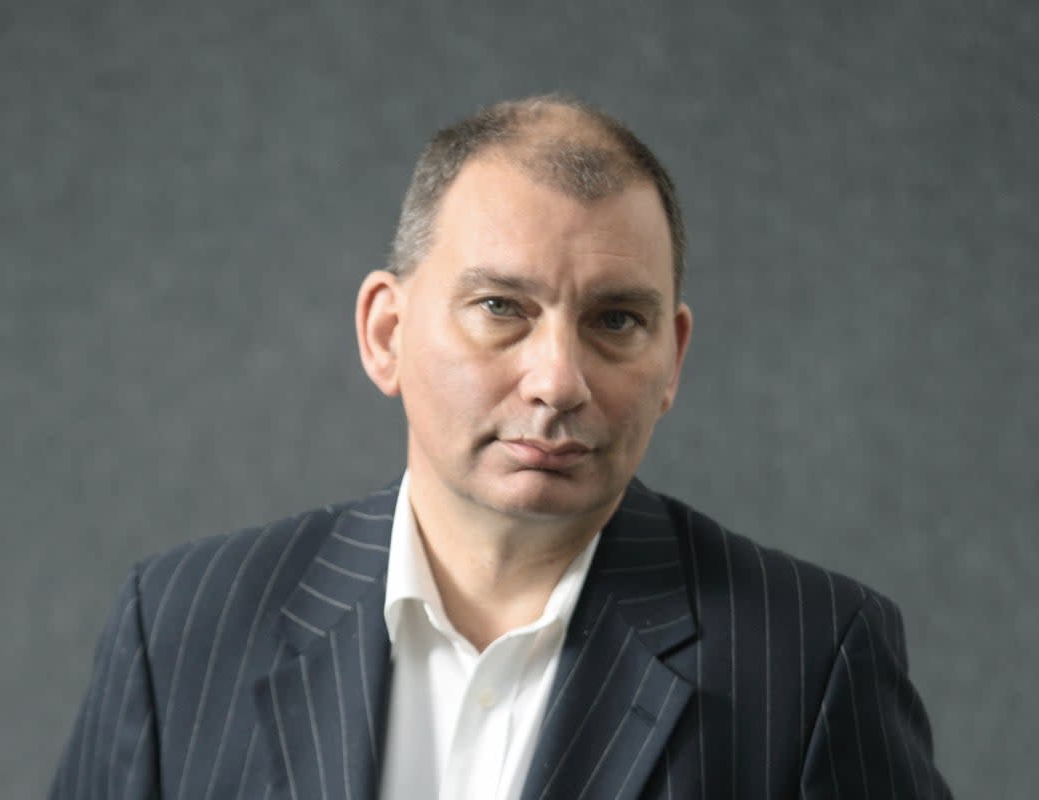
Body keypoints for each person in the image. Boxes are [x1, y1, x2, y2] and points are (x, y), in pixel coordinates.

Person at [50, 96, 952, 799]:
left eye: (616, 321)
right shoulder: (178, 630)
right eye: (500, 309)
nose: (559, 380)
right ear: (385, 333)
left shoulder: (810, 658)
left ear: (672, 357)